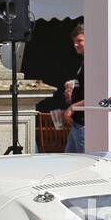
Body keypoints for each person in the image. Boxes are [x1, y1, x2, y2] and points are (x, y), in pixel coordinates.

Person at [35, 24, 87, 153]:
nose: (75, 45)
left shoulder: (95, 62)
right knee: (70, 163)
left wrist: (72, 108)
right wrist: (72, 91)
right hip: (77, 124)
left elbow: (97, 96)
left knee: (83, 165)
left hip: (85, 126)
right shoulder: (84, 62)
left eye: (79, 41)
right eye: (74, 42)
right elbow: (84, 89)